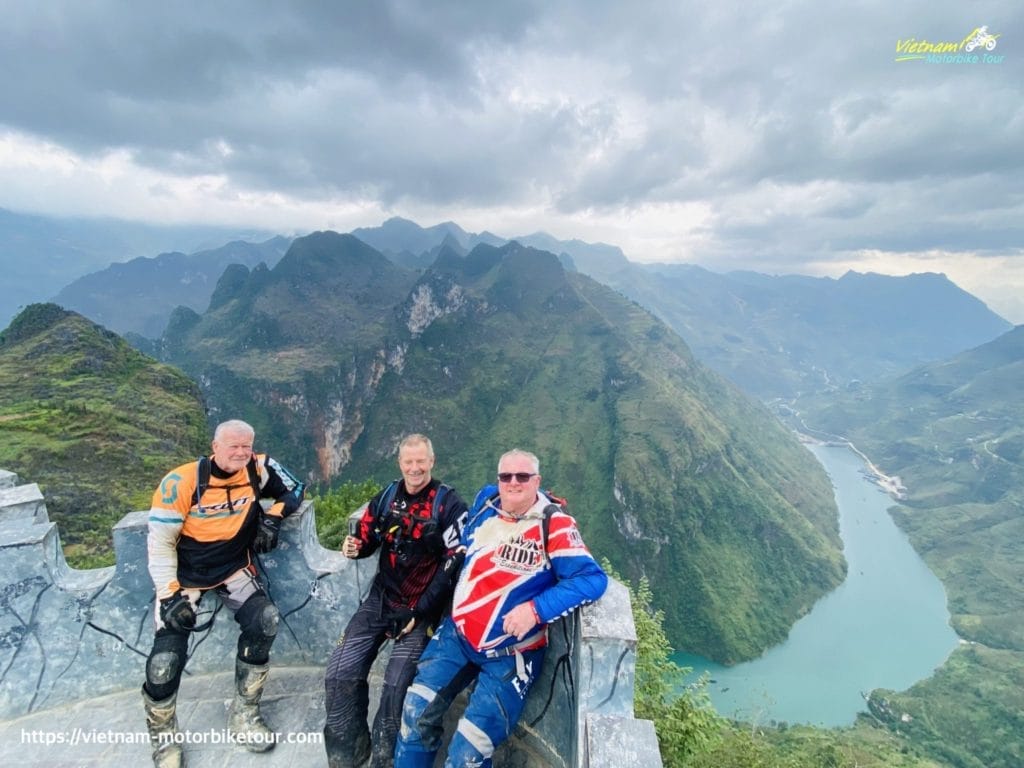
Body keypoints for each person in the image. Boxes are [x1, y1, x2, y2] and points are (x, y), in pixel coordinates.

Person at [394, 449, 608, 768]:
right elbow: (464, 547)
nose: (513, 483)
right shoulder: (486, 502)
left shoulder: (555, 524)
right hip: (459, 635)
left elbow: (592, 579)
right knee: (415, 713)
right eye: (506, 476)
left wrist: (535, 611)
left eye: (522, 477)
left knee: (468, 752)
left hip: (512, 653)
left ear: (537, 481)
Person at [141, 419, 305, 768]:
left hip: (233, 568)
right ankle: (164, 737)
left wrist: (273, 516)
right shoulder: (181, 482)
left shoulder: (258, 467)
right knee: (164, 661)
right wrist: (170, 596)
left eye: (247, 445)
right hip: (185, 578)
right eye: (233, 446)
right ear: (214, 446)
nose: (241, 452)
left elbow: (295, 487)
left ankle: (245, 714)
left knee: (265, 621)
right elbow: (159, 544)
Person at [324, 434, 469, 768]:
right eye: (408, 462)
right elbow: (368, 535)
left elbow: (452, 565)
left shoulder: (448, 505)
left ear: (432, 461)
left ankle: (385, 756)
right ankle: (348, 747)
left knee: (397, 683)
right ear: (400, 463)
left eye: (421, 461)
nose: (415, 468)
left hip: (422, 607)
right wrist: (354, 547)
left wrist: (418, 613)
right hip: (383, 597)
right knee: (339, 672)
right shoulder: (388, 496)